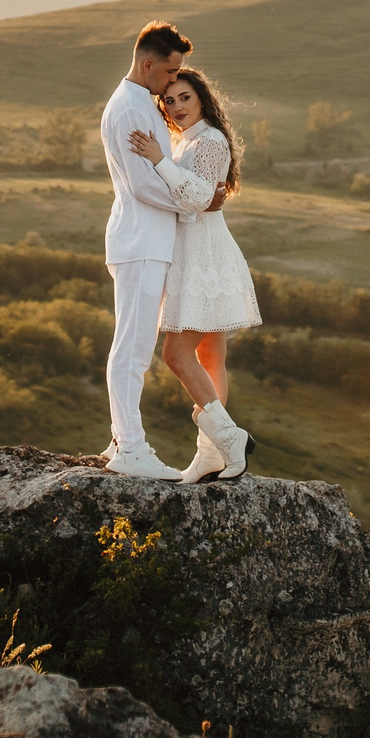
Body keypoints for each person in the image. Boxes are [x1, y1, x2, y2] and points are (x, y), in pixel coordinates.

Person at [124, 67, 261, 482]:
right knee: (210, 357)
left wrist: (158, 161)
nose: (177, 107)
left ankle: (229, 438)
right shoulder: (187, 141)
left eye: (185, 97)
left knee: (176, 354)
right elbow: (198, 197)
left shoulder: (210, 139)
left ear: (202, 98)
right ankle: (211, 454)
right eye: (169, 100)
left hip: (204, 257)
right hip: (194, 251)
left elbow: (200, 198)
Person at [95, 21, 195, 479]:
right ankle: (132, 448)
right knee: (133, 348)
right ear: (148, 63)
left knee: (134, 345)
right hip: (139, 240)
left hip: (148, 239)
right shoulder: (131, 110)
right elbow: (142, 184)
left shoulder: (142, 104)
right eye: (170, 72)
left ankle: (121, 442)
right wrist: (189, 201)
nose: (174, 81)